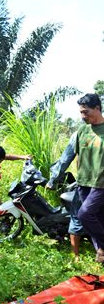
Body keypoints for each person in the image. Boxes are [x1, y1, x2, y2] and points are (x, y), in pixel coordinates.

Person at [75, 93, 104, 263]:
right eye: (81, 112)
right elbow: (79, 155)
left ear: (98, 108)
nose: (83, 116)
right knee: (98, 219)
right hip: (84, 181)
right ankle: (101, 251)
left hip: (101, 183)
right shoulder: (82, 130)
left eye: (86, 112)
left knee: (84, 214)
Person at [47, 133, 85, 259]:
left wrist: (52, 180)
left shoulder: (80, 133)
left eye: (85, 112)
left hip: (87, 183)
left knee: (76, 216)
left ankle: (76, 255)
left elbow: (65, 159)